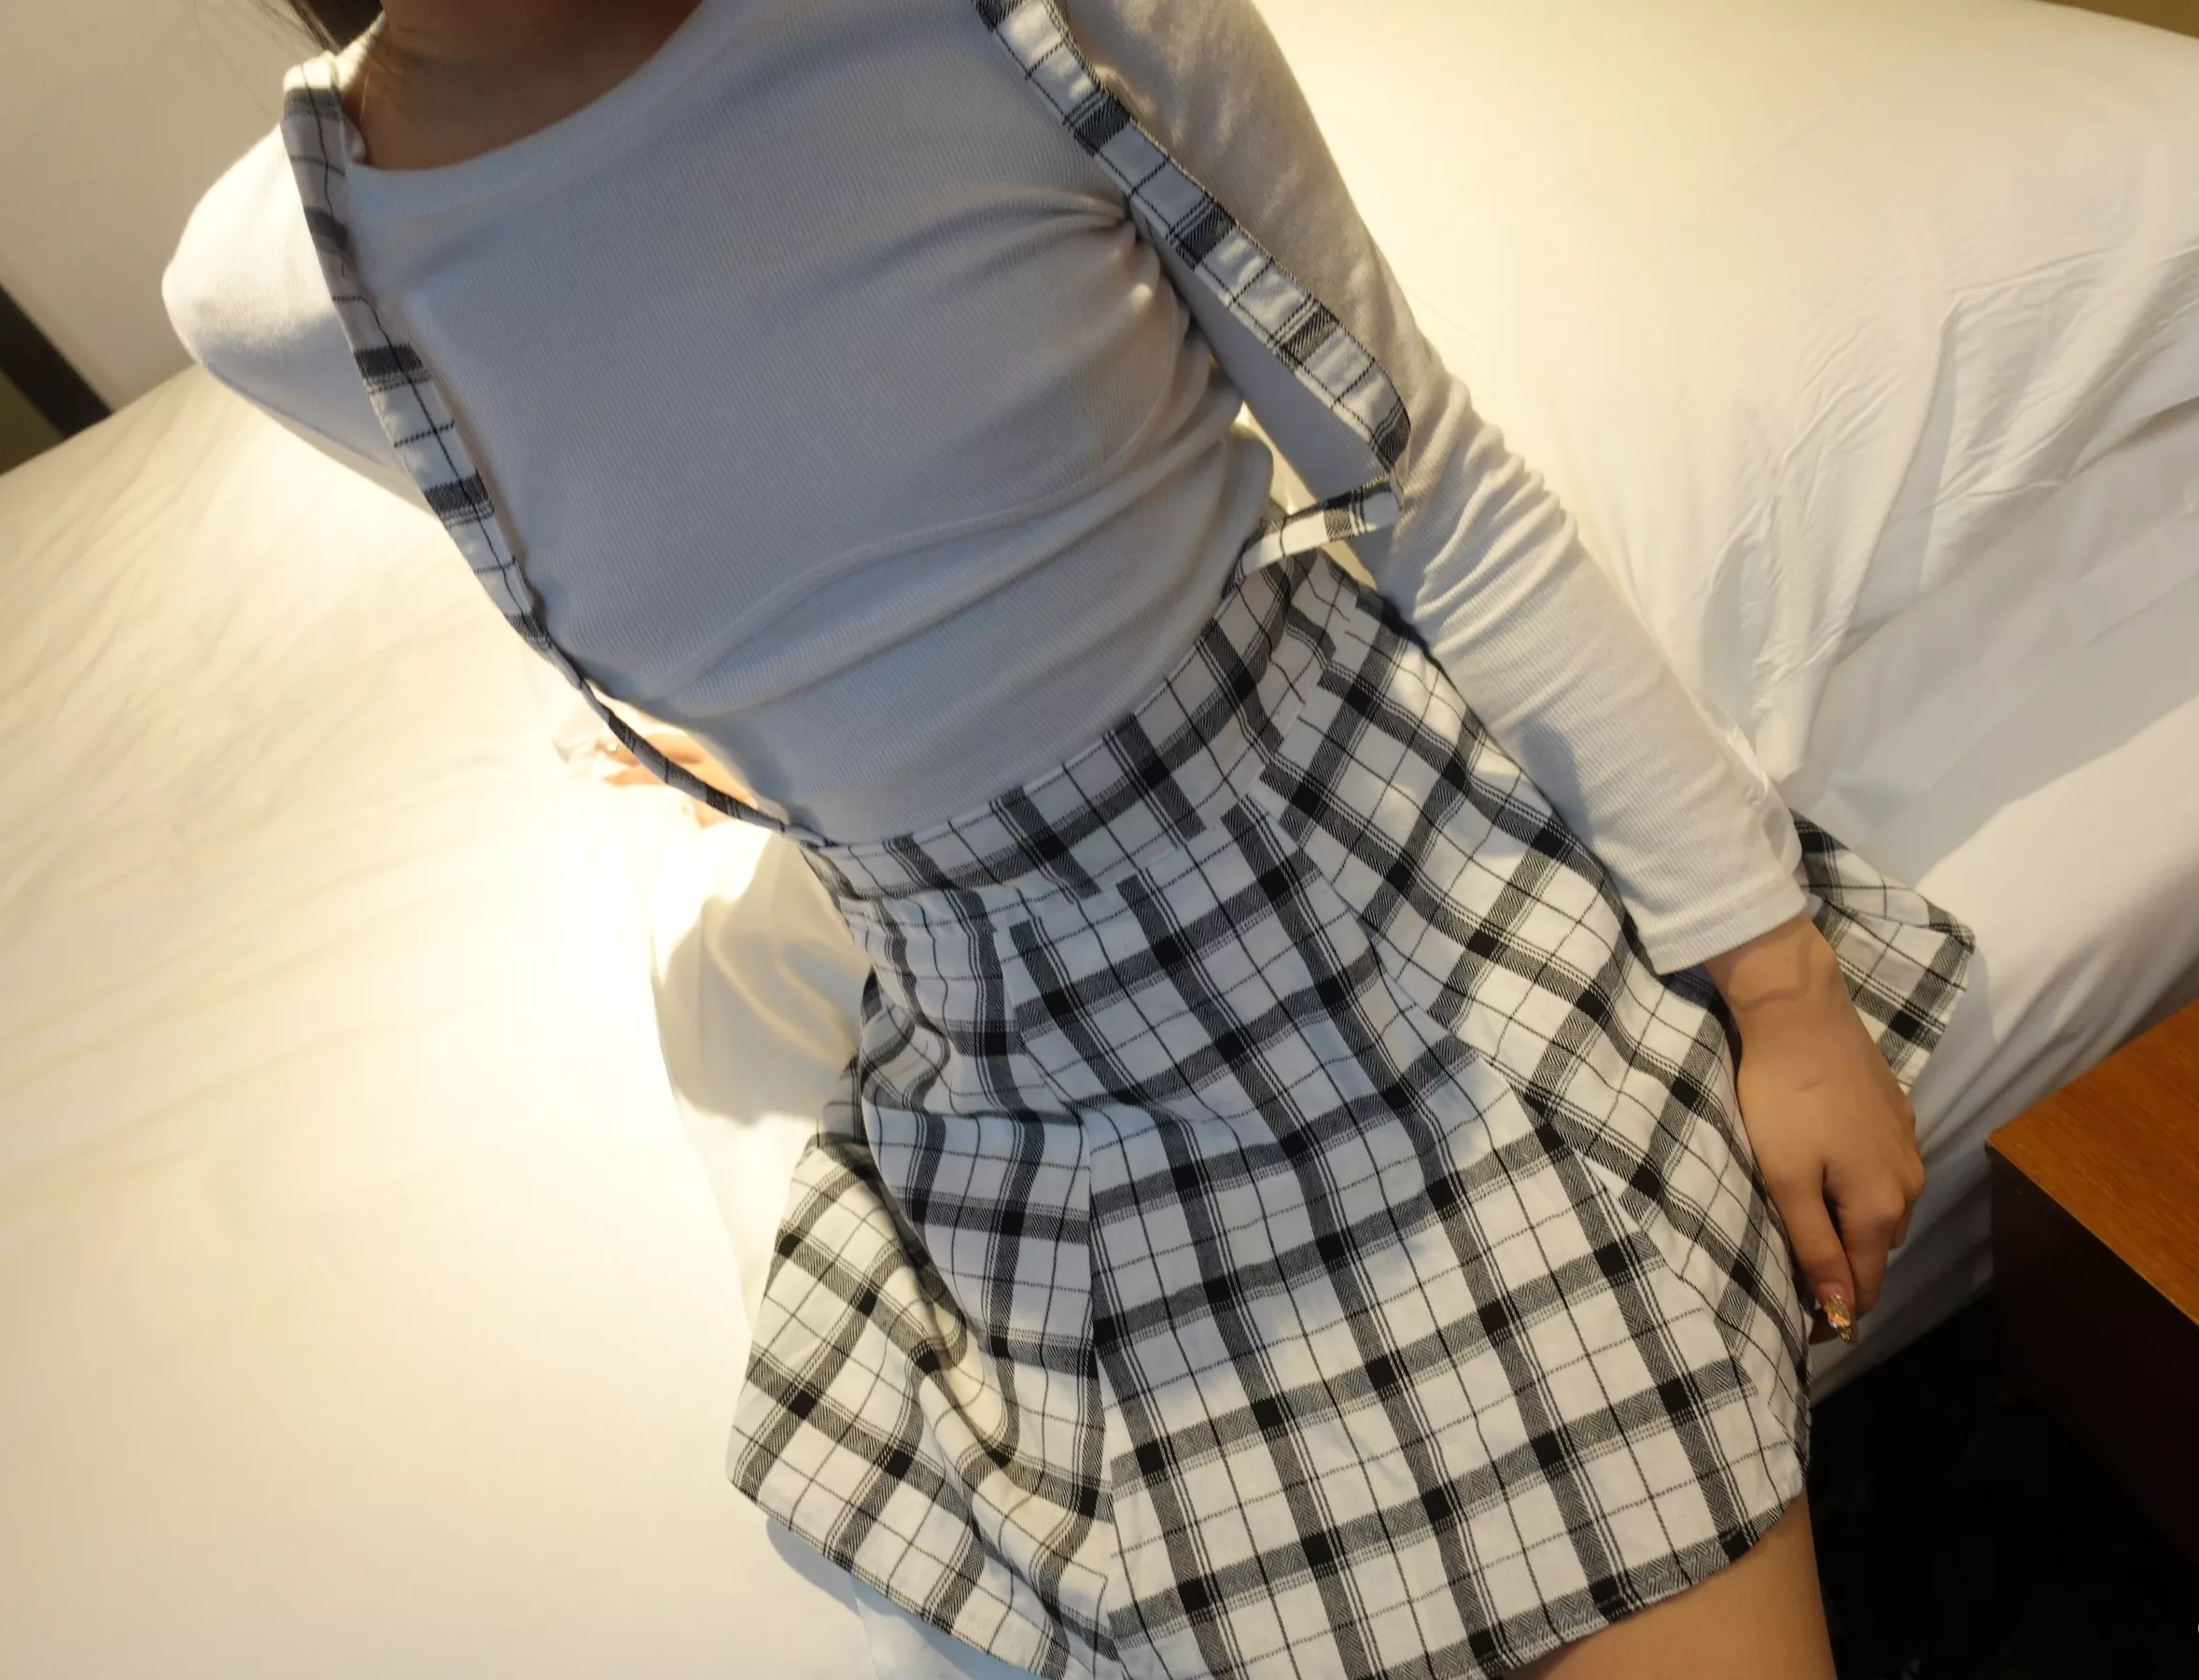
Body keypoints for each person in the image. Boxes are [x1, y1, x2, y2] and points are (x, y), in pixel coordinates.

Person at [164, 2, 1974, 1674]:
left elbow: (1421, 478)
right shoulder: (280, 289)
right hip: (1009, 1070)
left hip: (1376, 901)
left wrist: (1781, 986)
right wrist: (758, 735)